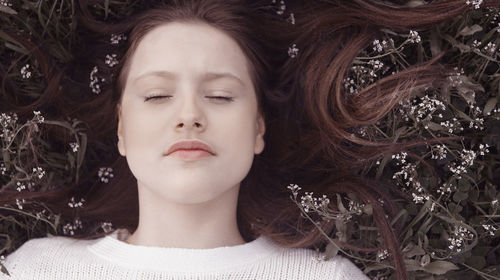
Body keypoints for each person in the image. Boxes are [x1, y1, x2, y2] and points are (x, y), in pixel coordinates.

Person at [1, 0, 496, 279]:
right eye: (156, 96)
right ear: (122, 130)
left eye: (219, 95)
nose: (189, 116)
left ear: (259, 128)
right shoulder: (37, 271)